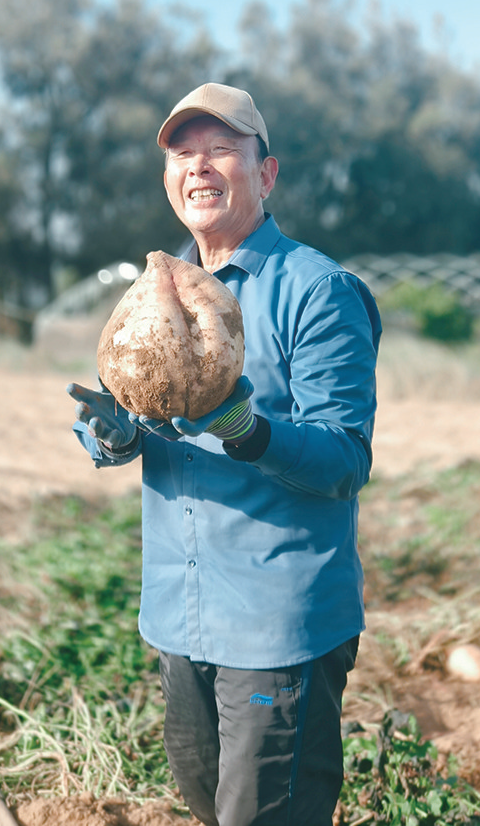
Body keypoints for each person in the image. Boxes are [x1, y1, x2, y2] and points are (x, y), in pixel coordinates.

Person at [67, 83, 382, 826]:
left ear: (265, 174)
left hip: (278, 627)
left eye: (220, 150)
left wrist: (246, 428)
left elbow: (343, 459)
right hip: (182, 620)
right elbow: (140, 419)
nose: (199, 167)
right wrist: (110, 433)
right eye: (183, 153)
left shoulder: (317, 291)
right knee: (213, 812)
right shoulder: (154, 295)